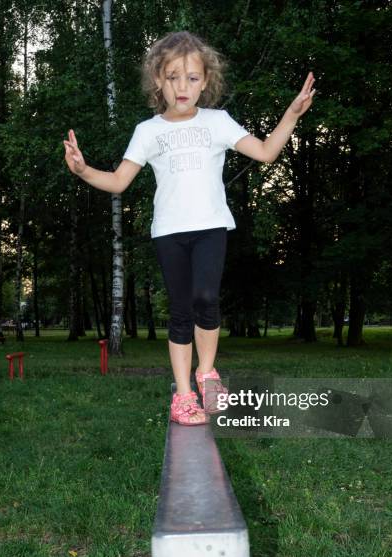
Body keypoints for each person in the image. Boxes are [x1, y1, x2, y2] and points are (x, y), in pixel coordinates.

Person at [63, 30, 315, 426]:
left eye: (192, 78)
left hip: (211, 226)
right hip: (169, 232)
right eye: (173, 77)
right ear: (158, 82)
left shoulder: (217, 122)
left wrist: (292, 114)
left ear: (205, 82)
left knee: (206, 299)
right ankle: (183, 395)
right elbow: (117, 181)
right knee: (181, 311)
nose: (182, 86)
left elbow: (266, 153)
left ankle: (207, 374)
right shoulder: (148, 131)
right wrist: (83, 169)